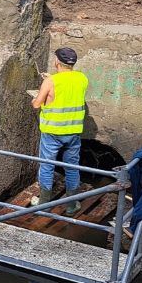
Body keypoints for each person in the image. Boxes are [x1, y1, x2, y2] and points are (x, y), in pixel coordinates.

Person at [30, 47, 89, 215]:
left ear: (57, 61)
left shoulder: (50, 82)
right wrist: (52, 79)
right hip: (73, 132)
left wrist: (39, 93)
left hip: (52, 132)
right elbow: (67, 88)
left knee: (47, 166)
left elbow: (37, 104)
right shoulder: (82, 78)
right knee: (71, 167)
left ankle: (44, 204)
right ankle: (71, 205)